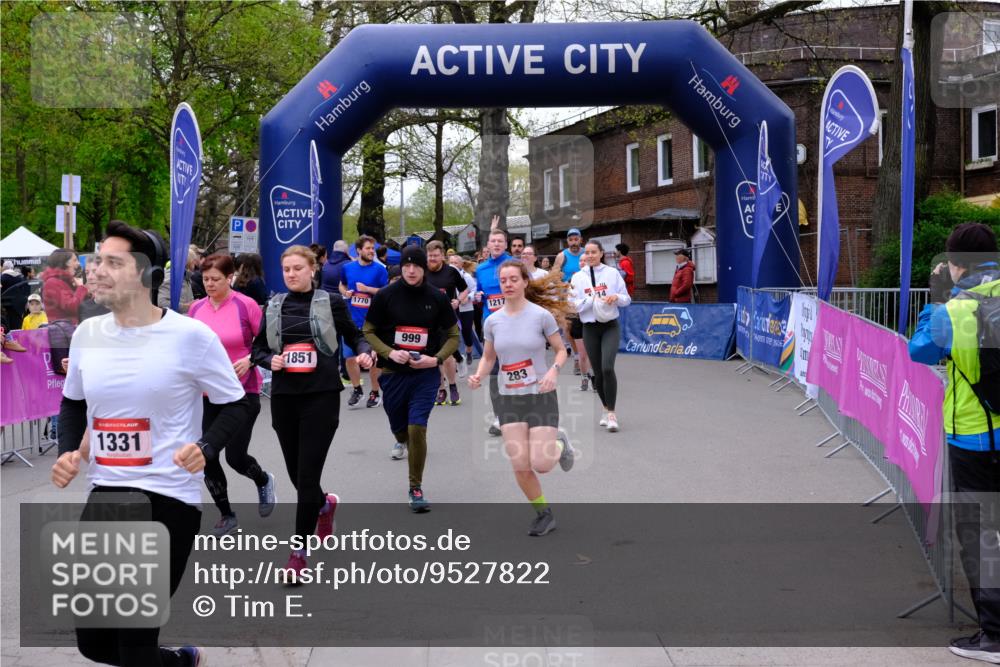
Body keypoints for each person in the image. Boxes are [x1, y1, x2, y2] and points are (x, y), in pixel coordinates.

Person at [51, 219, 251, 667]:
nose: (97, 269)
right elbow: (72, 404)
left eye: (112, 262)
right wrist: (69, 450)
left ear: (145, 275)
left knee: (135, 648)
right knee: (95, 644)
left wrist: (206, 446)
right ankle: (182, 662)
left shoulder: (190, 337)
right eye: (97, 260)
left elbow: (236, 405)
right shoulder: (88, 335)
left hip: (166, 500)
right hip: (106, 496)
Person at [251, 245, 374, 574]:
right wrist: (269, 359)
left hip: (320, 396)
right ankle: (323, 505)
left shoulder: (330, 302)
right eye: (287, 269)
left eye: (297, 268)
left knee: (306, 477)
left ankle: (298, 555)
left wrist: (365, 353)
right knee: (296, 474)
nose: (291, 274)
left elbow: (355, 336)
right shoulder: (274, 305)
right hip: (284, 397)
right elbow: (258, 349)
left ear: (312, 271)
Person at [908, 223, 1000, 664]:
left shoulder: (955, 311)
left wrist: (939, 298)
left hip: (975, 438)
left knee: (981, 534)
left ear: (955, 263)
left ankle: (994, 636)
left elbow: (920, 350)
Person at [469, 261, 575, 536]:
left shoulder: (541, 316)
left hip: (540, 394)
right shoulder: (492, 321)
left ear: (525, 282)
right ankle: (544, 514)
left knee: (542, 464)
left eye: (514, 279)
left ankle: (560, 446)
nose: (508, 284)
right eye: (504, 280)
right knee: (520, 464)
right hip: (508, 397)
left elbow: (561, 351)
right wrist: (478, 375)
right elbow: (489, 357)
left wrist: (554, 370)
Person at [362, 245, 459, 511]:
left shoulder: (436, 298)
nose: (411, 270)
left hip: (425, 374)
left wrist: (435, 359)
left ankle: (415, 487)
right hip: (392, 374)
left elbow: (453, 336)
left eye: (416, 265)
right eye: (406, 265)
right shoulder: (385, 296)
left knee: (417, 427)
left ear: (424, 268)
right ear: (401, 267)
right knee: (400, 429)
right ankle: (401, 438)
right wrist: (390, 353)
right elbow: (368, 331)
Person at [190, 253, 276, 537]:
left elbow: (267, 343)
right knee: (207, 454)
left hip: (243, 392)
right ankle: (226, 515)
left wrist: (251, 359)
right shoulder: (196, 308)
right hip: (206, 394)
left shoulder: (246, 305)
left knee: (236, 457)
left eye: (216, 279)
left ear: (231, 278)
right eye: (205, 279)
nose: (210, 284)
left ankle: (263, 480)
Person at [571, 240, 632, 432]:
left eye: (593, 252)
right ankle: (605, 409)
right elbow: (574, 305)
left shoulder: (611, 273)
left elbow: (626, 299)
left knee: (607, 367)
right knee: (597, 371)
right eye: (587, 253)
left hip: (609, 326)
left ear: (601, 253)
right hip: (589, 327)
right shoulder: (578, 278)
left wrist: (616, 297)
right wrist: (592, 299)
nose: (590, 255)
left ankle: (612, 413)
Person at [340, 235, 389, 409]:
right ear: (359, 250)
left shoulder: (380, 269)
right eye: (368, 248)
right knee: (350, 358)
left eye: (372, 248)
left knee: (373, 359)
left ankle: (375, 392)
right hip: (351, 321)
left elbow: (386, 292)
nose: (371, 251)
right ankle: (357, 389)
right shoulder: (347, 268)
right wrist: (345, 293)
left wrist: (367, 289)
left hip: (373, 322)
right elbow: (342, 285)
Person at [475, 221, 515, 436]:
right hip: (491, 325)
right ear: (488, 245)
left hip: (515, 324)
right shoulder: (480, 268)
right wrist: (478, 296)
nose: (497, 244)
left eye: (500, 241)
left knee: (516, 368)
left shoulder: (514, 264)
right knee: (494, 371)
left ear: (505, 244)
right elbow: (479, 293)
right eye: (493, 241)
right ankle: (500, 416)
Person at [425, 240, 468, 406]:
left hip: (448, 320)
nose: (433, 259)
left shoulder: (451, 272)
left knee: (447, 356)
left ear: (442, 256)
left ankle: (453, 386)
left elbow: (465, 289)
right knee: (434, 358)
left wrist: (458, 300)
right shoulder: (423, 272)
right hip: (428, 321)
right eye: (430, 256)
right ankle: (440, 389)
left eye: (436, 256)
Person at [552, 228, 594, 390]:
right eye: (571, 240)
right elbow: (553, 277)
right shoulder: (562, 256)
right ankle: (578, 357)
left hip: (587, 300)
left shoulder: (587, 254)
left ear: (581, 240)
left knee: (587, 329)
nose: (574, 242)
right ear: (567, 241)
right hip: (568, 299)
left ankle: (585, 358)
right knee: (569, 330)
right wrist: (562, 284)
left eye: (576, 239)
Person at [450, 254, 483, 374]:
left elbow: (474, 289)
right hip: (453, 309)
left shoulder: (466, 276)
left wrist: (468, 297)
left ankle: (469, 352)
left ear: (461, 264)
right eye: (451, 262)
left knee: (467, 333)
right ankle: (457, 358)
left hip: (466, 308)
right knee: (453, 335)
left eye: (455, 263)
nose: (453, 265)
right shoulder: (447, 276)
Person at [41, 248, 87, 325]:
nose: (78, 263)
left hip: (68, 329)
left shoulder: (65, 281)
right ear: (65, 262)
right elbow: (71, 307)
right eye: (75, 260)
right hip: (62, 332)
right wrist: (81, 288)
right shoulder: (52, 283)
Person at [157, 248, 198, 313]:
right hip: (174, 319)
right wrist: (187, 306)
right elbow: (162, 303)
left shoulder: (185, 276)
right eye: (194, 262)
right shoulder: (171, 277)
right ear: (189, 262)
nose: (195, 265)